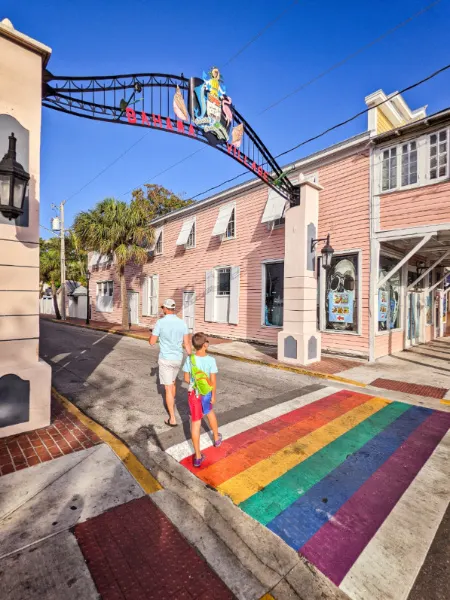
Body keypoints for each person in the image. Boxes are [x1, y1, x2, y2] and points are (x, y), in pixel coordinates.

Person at [149, 298, 192, 427]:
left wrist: (150, 336)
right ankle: (172, 404)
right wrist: (192, 358)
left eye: (163, 308)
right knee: (172, 384)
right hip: (178, 358)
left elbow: (152, 342)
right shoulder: (182, 323)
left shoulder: (160, 323)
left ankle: (172, 418)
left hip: (166, 359)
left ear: (166, 309)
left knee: (168, 388)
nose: (162, 310)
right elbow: (187, 344)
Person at [183, 332, 222, 467]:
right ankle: (216, 438)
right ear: (205, 344)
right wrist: (213, 395)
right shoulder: (211, 360)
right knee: (210, 412)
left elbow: (186, 378)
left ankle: (198, 456)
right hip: (206, 393)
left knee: (195, 422)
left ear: (194, 346)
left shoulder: (190, 359)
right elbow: (213, 381)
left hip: (194, 394)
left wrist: (195, 382)